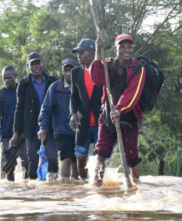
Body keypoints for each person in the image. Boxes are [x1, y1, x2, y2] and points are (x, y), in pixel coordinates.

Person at [90, 34, 146, 186]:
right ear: (116, 48)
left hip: (129, 117)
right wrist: (97, 50)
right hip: (108, 115)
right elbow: (96, 78)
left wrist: (120, 109)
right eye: (122, 47)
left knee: (131, 156)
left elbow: (132, 93)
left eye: (129, 47)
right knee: (101, 151)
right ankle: (97, 187)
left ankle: (136, 187)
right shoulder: (107, 64)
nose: (126, 50)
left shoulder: (138, 68)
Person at [10, 52, 59, 181]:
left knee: (52, 158)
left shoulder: (53, 82)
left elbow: (59, 107)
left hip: (50, 128)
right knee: (32, 162)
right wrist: (16, 132)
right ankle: (34, 191)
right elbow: (19, 109)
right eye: (32, 64)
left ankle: (55, 189)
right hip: (31, 130)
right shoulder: (23, 85)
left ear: (42, 63)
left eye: (38, 63)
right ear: (28, 66)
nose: (36, 66)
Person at [38, 58, 78, 181]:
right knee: (67, 157)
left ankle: (78, 187)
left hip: (80, 130)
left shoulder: (81, 85)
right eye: (65, 70)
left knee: (79, 160)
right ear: (62, 72)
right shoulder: (55, 88)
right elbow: (46, 109)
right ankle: (65, 187)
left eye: (71, 70)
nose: (68, 73)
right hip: (62, 131)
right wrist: (43, 127)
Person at [0, 66, 28, 181]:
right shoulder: (0, 95)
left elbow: (31, 113)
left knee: (28, 165)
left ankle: (28, 193)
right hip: (7, 137)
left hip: (24, 136)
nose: (6, 81)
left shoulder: (24, 91)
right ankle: (10, 194)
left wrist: (27, 131)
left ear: (15, 77)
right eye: (4, 78)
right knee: (8, 169)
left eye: (9, 78)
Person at [69, 38, 103, 181]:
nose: (79, 56)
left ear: (92, 53)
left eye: (82, 53)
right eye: (78, 53)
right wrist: (73, 113)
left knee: (99, 160)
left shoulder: (103, 71)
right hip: (83, 122)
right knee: (80, 157)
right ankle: (83, 184)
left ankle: (99, 185)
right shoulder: (76, 73)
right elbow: (74, 96)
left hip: (100, 122)